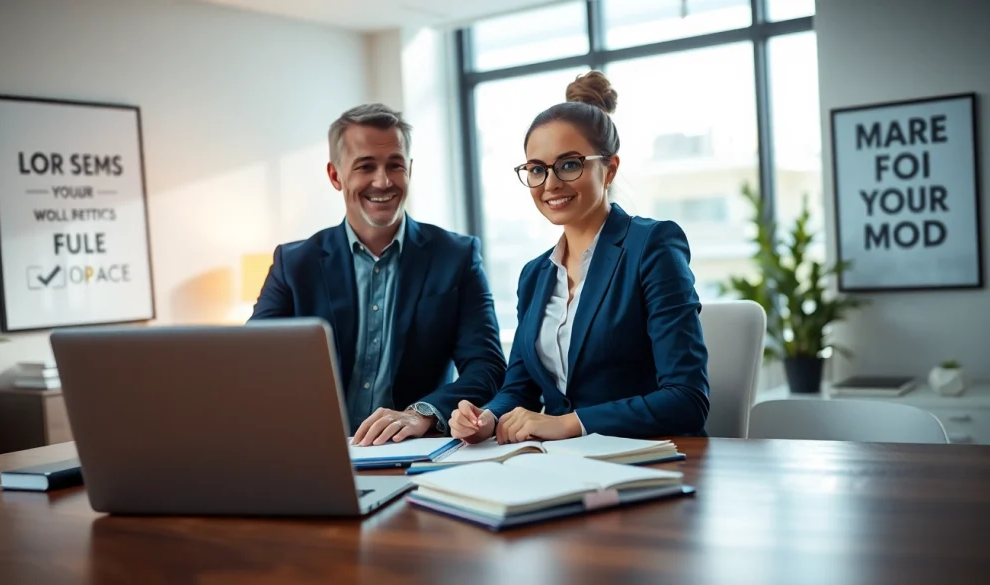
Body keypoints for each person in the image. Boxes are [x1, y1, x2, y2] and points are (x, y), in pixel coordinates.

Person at [449, 71, 710, 444]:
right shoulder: (535, 275)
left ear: (609, 169)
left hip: (652, 461)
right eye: (537, 169)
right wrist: (488, 417)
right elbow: (520, 387)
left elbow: (687, 400)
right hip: (565, 465)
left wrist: (569, 423)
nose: (551, 183)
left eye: (569, 164)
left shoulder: (652, 246)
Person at [250, 103, 506, 446]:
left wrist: (423, 413)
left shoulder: (456, 257)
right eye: (365, 166)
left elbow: (488, 367)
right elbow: (251, 365)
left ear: (410, 170)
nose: (383, 181)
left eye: (395, 165)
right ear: (335, 175)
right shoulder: (294, 264)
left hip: (413, 453)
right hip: (315, 449)